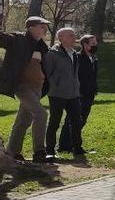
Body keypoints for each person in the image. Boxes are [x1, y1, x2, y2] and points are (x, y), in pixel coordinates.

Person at [1, 17, 51, 163]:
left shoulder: (42, 46)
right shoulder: (18, 39)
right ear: (31, 27)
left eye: (46, 27)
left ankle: (13, 152)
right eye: (42, 26)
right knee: (41, 114)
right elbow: (3, 38)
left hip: (38, 87)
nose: (45, 29)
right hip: (22, 86)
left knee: (23, 121)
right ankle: (39, 152)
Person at [42, 27, 85, 162]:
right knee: (54, 122)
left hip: (73, 94)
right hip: (57, 94)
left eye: (74, 34)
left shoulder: (74, 53)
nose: (74, 37)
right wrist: (55, 85)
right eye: (71, 35)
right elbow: (47, 73)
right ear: (61, 38)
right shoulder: (52, 54)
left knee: (77, 121)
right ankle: (49, 151)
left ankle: (77, 148)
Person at [71, 34, 99, 152]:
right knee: (74, 120)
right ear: (85, 44)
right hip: (80, 93)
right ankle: (66, 145)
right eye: (92, 43)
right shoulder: (78, 57)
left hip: (90, 92)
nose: (95, 45)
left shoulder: (94, 57)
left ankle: (73, 144)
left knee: (83, 119)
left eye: (95, 42)